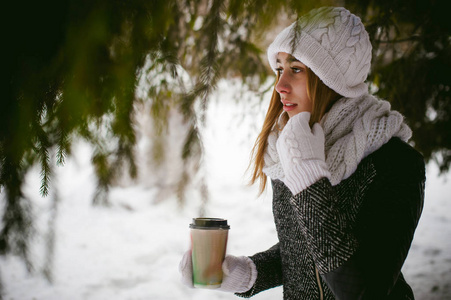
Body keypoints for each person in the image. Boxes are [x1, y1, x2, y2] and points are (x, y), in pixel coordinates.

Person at [179, 6, 425, 299]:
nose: (280, 86)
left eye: (296, 69)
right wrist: (247, 274)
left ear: (334, 79)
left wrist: (309, 178)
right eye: (280, 68)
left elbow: (363, 289)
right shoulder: (292, 147)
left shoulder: (395, 163)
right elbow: (303, 251)